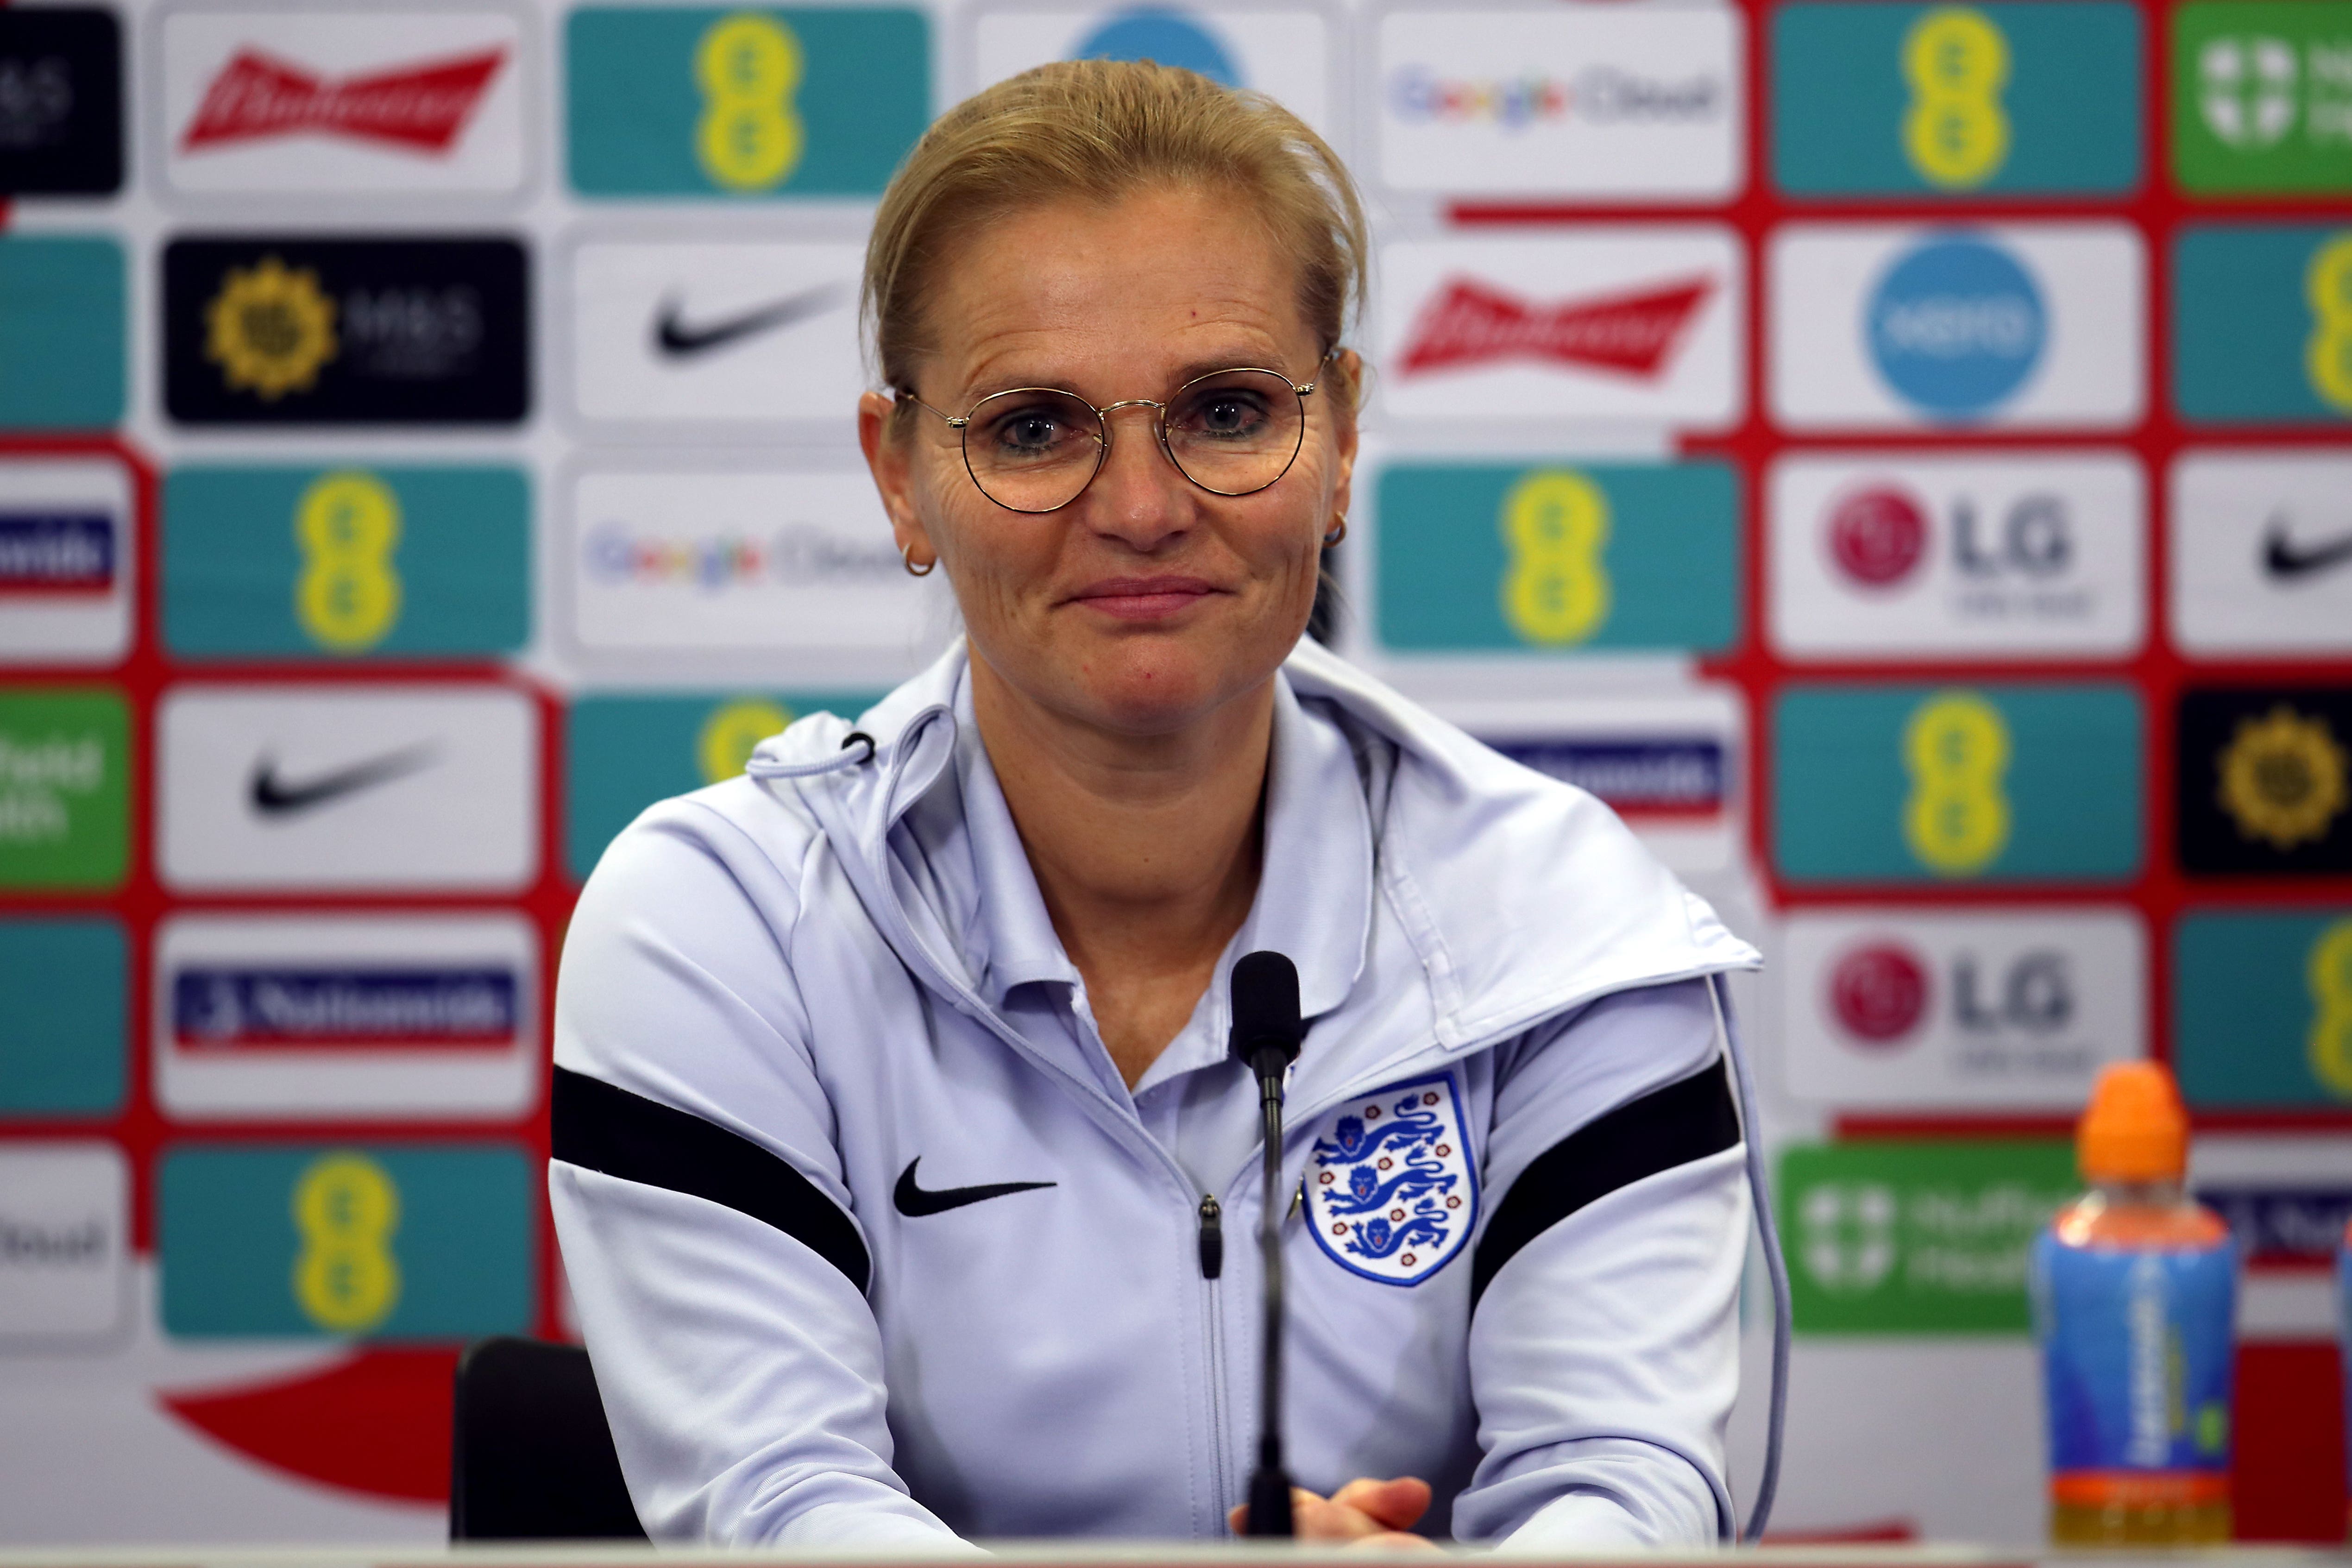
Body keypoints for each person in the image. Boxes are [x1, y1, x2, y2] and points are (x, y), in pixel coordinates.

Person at [549, 59, 1763, 1551]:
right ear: (900, 476)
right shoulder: (722, 927)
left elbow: (1629, 1496)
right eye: (1037, 427)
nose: (1139, 506)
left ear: (1340, 445)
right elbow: (785, 1513)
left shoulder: (1564, 926)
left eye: (1230, 407)